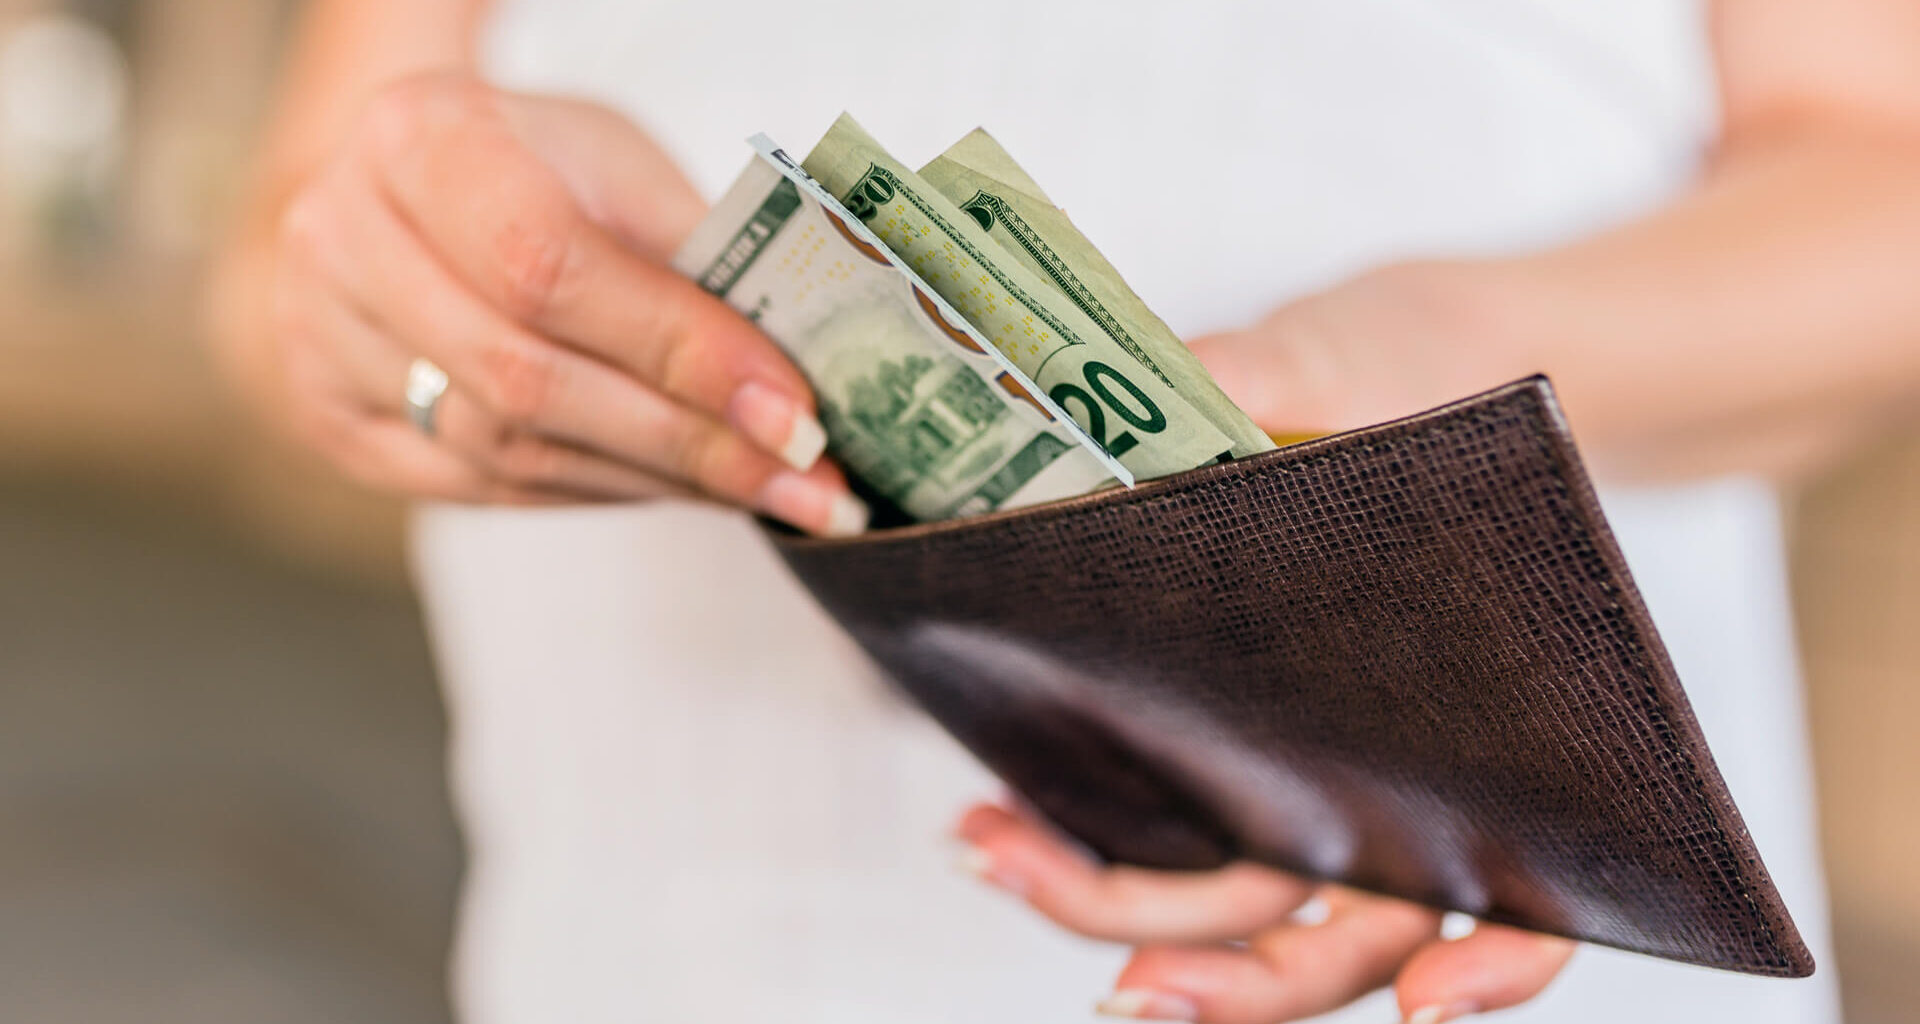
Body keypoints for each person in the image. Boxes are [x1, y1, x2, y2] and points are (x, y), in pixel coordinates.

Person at [206, 1, 1920, 1021]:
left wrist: (1417, 384)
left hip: (1465, 949)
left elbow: (1883, 176)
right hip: (656, 952)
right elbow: (289, 224)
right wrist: (392, 297)